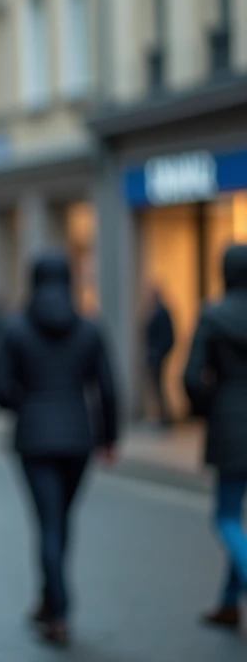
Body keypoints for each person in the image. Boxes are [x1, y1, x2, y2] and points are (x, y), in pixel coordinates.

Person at [0, 253, 119, 647]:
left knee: (47, 522)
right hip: (79, 437)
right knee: (61, 519)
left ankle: (57, 610)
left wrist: (23, 405)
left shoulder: (16, 327)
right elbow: (108, 390)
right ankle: (50, 600)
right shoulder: (90, 327)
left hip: (34, 437)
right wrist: (109, 438)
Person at [183, 244, 247, 632]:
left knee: (225, 516)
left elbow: (192, 377)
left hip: (229, 425)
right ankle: (227, 603)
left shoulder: (213, 315)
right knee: (233, 519)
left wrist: (210, 406)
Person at [143, 286, 176, 427]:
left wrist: (161, 353)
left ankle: (164, 418)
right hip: (154, 355)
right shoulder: (156, 311)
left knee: (159, 388)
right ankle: (161, 417)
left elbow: (169, 336)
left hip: (157, 356)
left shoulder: (161, 312)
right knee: (156, 388)